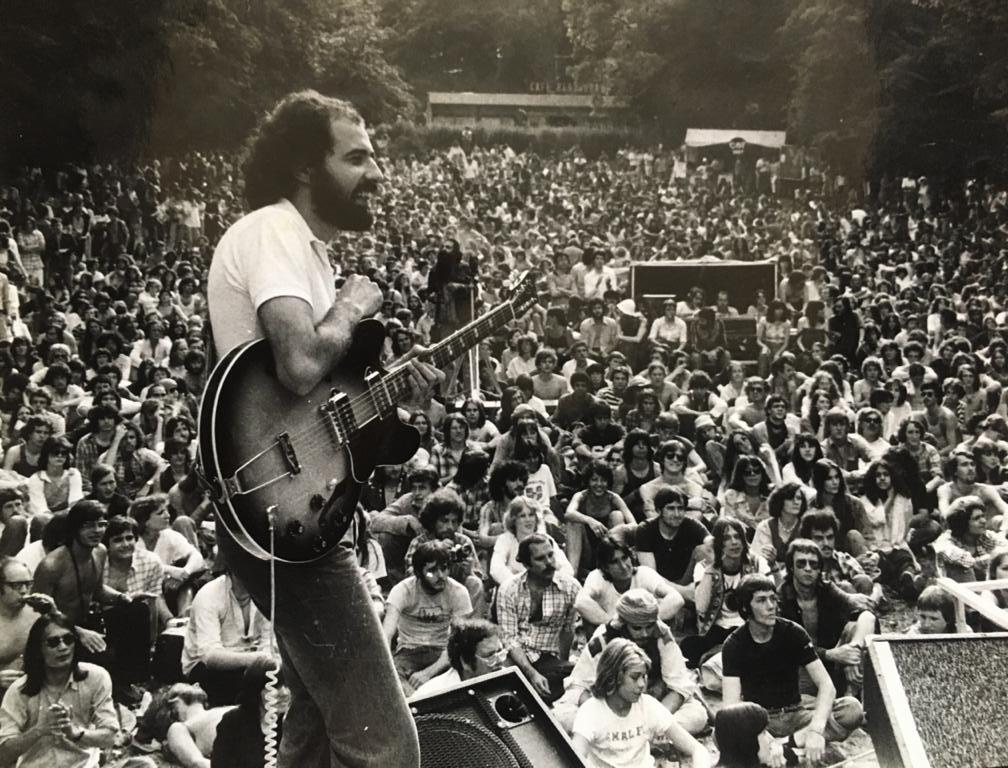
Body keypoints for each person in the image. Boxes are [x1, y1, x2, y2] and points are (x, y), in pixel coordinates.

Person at [205, 90, 440, 767]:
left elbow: (316, 414)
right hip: (283, 516)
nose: (378, 173)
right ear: (307, 167)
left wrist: (393, 398)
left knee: (311, 738)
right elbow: (302, 362)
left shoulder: (304, 250)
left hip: (292, 504)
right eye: (358, 157)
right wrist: (351, 305)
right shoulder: (273, 231)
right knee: (387, 746)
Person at [721, 575, 864, 765]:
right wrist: (765, 739)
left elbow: (826, 686)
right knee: (722, 734)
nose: (771, 605)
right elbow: (731, 707)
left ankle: (788, 748)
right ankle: (793, 753)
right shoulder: (734, 644)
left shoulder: (792, 632)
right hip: (762, 724)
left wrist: (815, 730)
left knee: (852, 709)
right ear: (746, 608)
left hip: (798, 714)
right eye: (762, 600)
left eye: (773, 598)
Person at [556, 589, 706, 736]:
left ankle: (637, 735)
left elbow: (679, 688)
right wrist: (605, 716)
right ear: (624, 623)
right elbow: (579, 685)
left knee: (697, 716)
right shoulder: (603, 638)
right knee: (563, 716)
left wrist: (654, 719)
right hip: (608, 703)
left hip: (652, 702)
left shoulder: (662, 635)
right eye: (637, 628)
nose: (645, 633)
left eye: (649, 626)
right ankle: (636, 736)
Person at [570, 638, 711, 768]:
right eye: (635, 677)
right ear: (614, 677)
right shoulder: (591, 711)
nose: (642, 684)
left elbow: (697, 749)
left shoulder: (648, 705)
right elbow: (573, 758)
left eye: (644, 676)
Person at [0, 613, 118, 767]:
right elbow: (3, 755)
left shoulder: (96, 677)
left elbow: (110, 737)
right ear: (39, 649)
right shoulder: (19, 690)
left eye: (68, 640)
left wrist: (75, 733)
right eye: (53, 642)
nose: (63, 647)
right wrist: (39, 730)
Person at [495, 533, 580, 702]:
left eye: (550, 555)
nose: (549, 563)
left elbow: (568, 630)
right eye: (540, 559)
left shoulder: (570, 587)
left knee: (577, 679)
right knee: (503, 690)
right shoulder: (509, 589)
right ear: (527, 564)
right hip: (515, 657)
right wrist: (532, 674)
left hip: (549, 658)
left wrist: (561, 665)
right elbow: (510, 639)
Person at [383, 540, 473, 697]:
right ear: (419, 573)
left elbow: (457, 642)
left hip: (443, 653)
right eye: (432, 571)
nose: (441, 576)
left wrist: (427, 674)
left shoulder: (459, 592)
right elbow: (386, 634)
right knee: (394, 683)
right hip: (409, 652)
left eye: (444, 568)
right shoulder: (402, 591)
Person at [181, 571, 276, 706]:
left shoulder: (265, 593)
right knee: (244, 684)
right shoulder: (209, 595)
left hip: (249, 660)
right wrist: (259, 659)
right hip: (205, 667)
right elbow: (209, 656)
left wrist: (265, 662)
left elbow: (269, 642)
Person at [410, 618, 506, 699]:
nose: (500, 661)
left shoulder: (509, 682)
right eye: (490, 656)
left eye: (500, 652)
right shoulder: (432, 695)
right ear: (465, 662)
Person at [0, 558, 54, 691]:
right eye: (16, 585)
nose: (24, 590)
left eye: (28, 584)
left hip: (33, 691)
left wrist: (55, 612)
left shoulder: (37, 612)